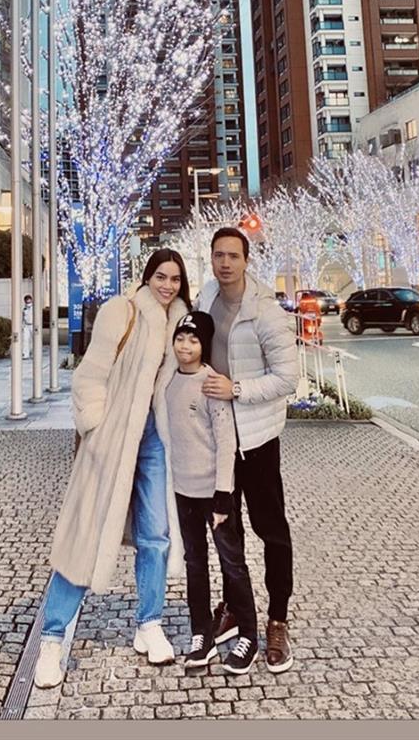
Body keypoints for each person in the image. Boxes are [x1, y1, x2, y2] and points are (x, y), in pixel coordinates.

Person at [34, 249, 191, 689]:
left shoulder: (181, 323)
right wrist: (96, 426)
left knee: (156, 535)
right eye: (160, 276)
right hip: (113, 436)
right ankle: (51, 638)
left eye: (175, 279)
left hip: (155, 440)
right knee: (85, 533)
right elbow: (91, 374)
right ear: (147, 277)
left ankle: (149, 622)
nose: (167, 285)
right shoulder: (122, 311)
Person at [196, 227, 299, 674]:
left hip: (256, 441)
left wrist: (236, 389)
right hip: (217, 440)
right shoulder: (205, 298)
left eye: (233, 256)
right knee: (225, 530)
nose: (225, 263)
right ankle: (236, 607)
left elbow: (287, 378)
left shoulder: (266, 313)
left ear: (246, 260)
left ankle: (277, 620)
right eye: (218, 255)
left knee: (271, 530)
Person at [161, 311, 258, 674]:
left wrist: (223, 495)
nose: (185, 346)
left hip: (214, 494)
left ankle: (248, 635)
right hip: (182, 491)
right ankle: (201, 634)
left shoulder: (211, 384)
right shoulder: (169, 382)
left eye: (194, 340)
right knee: (195, 564)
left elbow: (226, 442)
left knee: (232, 563)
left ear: (204, 345)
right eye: (180, 338)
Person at [22, 294, 33, 359]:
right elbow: (23, 318)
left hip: (33, 325)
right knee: (25, 339)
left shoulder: (34, 308)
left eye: (29, 301)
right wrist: (23, 326)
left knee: (35, 339)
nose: (28, 303)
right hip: (26, 325)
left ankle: (35, 353)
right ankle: (26, 354)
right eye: (27, 301)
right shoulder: (24, 309)